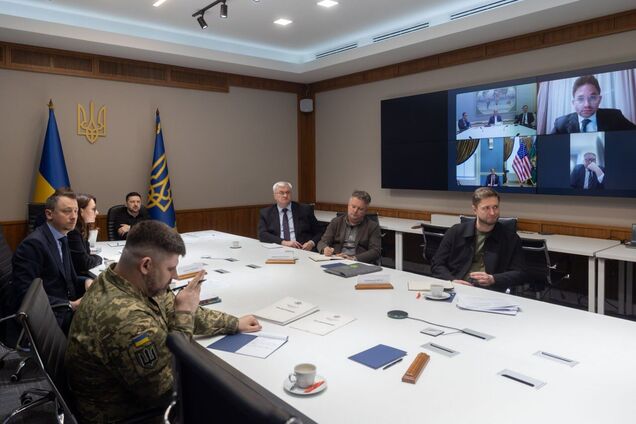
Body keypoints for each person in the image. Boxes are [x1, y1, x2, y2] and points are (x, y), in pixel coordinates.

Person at [65, 220, 261, 423]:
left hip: (135, 397)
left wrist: (233, 323)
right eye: (170, 269)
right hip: (129, 415)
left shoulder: (121, 278)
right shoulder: (123, 317)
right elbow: (168, 388)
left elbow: (173, 307)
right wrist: (184, 314)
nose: (175, 276)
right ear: (146, 265)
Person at [11, 188, 91, 332]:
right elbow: (26, 295)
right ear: (49, 214)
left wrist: (86, 281)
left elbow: (68, 280)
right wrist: (70, 305)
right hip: (51, 317)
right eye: (67, 211)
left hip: (65, 308)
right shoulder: (33, 245)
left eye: (76, 211)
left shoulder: (62, 237)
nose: (74, 217)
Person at [431, 187, 525, 292]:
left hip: (490, 292)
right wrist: (452, 281)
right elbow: (437, 264)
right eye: (486, 208)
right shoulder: (456, 232)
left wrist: (493, 279)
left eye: (495, 207)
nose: (492, 213)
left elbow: (519, 273)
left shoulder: (510, 238)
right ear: (475, 210)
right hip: (457, 288)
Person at [551, 75, 636, 134]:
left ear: (599, 99)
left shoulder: (615, 117)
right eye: (580, 99)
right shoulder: (560, 124)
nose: (587, 105)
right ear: (574, 103)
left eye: (592, 98)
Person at [317, 190, 381, 264]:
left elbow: (375, 251)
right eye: (353, 206)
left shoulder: (372, 226)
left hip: (358, 263)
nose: (355, 211)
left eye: (360, 209)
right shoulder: (336, 222)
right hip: (336, 259)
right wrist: (325, 249)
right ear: (348, 206)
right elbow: (322, 242)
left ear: (365, 211)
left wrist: (354, 259)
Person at [258, 181, 323, 250]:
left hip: (302, 249)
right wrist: (284, 242)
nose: (285, 195)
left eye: (288, 192)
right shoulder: (266, 213)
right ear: (275, 196)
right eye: (281, 193)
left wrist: (311, 243)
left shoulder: (304, 209)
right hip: (279, 248)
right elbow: (262, 234)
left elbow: (320, 231)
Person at [67, 193, 103, 276]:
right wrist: (99, 258)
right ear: (81, 211)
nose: (97, 212)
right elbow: (84, 263)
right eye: (93, 209)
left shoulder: (82, 227)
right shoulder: (73, 231)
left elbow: (87, 254)